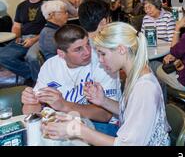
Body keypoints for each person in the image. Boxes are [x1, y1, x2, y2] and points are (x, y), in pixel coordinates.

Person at [41, 22, 170, 146]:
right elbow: (131, 111)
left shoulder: (144, 88)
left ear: (121, 50)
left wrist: (79, 130)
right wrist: (103, 101)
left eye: (103, 54)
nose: (100, 60)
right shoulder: (137, 74)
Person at [21, 24, 122, 136]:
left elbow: (105, 115)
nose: (87, 52)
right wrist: (30, 101)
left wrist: (64, 105)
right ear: (61, 53)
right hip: (62, 123)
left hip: (102, 126)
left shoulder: (103, 62)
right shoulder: (50, 66)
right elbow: (31, 111)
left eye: (87, 44)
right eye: (78, 49)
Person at [0, 0, 46, 81]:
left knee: (32, 57)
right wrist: (16, 36)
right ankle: (34, 76)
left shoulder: (47, 4)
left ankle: (36, 80)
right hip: (23, 38)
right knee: (2, 56)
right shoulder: (21, 6)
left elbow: (49, 28)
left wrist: (33, 40)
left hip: (40, 38)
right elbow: (16, 26)